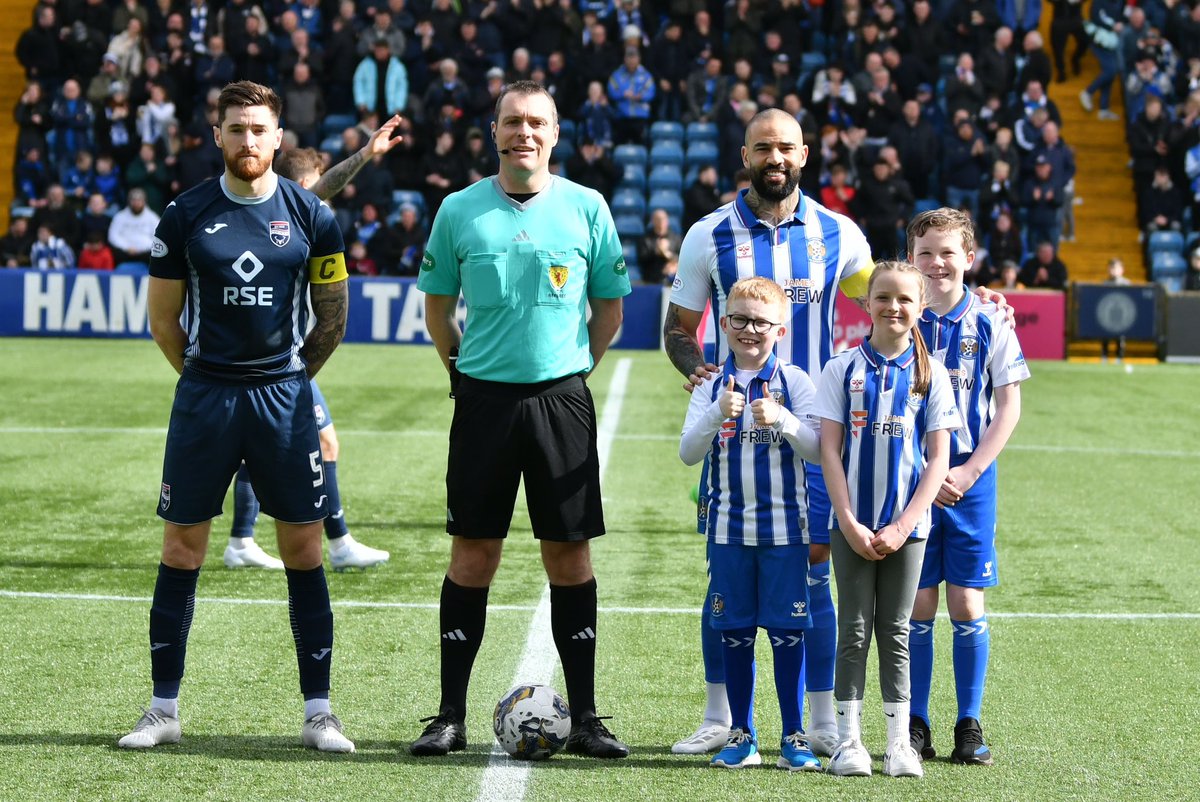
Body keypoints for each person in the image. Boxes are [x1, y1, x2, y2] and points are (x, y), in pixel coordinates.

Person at [118, 81, 354, 753]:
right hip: (205, 397)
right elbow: (164, 322)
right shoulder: (183, 214)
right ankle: (163, 710)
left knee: (303, 548)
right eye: (235, 128)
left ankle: (319, 714)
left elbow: (332, 318)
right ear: (216, 136)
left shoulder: (313, 216)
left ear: (279, 138)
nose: (247, 140)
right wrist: (202, 379)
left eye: (259, 129)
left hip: (282, 398)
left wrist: (291, 382)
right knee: (181, 548)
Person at [411, 80, 631, 760]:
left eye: (536, 122)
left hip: (560, 400)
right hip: (482, 402)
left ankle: (589, 716)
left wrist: (570, 373)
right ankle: (449, 716)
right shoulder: (458, 210)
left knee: (569, 554)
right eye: (512, 121)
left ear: (556, 134)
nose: (523, 134)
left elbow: (609, 313)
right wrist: (465, 371)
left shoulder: (588, 208)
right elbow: (438, 311)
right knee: (473, 553)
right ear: (494, 130)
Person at [664, 108, 876, 758]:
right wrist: (698, 370)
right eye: (764, 147)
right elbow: (678, 326)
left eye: (785, 147)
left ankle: (818, 721)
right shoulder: (708, 235)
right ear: (746, 153)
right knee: (725, 580)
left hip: (813, 437)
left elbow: (895, 302)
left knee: (814, 577)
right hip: (734, 436)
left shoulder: (840, 235)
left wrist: (967, 300)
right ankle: (718, 716)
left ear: (804, 154)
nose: (775, 157)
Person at [223, 128, 403, 573]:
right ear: (303, 186)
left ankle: (242, 540)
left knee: (258, 447)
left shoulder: (278, 215)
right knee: (324, 442)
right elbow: (324, 187)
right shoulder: (296, 210)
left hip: (278, 351)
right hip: (280, 357)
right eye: (315, 181)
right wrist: (364, 154)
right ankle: (338, 543)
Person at [815, 260, 961, 778]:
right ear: (866, 303)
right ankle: (848, 742)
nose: (893, 307)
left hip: (910, 530)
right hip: (850, 524)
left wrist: (902, 526)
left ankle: (900, 744)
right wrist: (849, 522)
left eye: (904, 300)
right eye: (883, 297)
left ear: (920, 309)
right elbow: (829, 452)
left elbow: (939, 460)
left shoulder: (931, 373)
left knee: (896, 630)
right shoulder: (841, 368)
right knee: (853, 629)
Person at [678, 277, 823, 772]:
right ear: (723, 323)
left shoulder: (797, 382)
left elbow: (819, 449)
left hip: (786, 533)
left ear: (780, 328)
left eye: (761, 321)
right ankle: (741, 734)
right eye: (739, 319)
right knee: (734, 630)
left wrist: (782, 420)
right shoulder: (712, 385)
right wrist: (716, 414)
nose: (749, 329)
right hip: (727, 533)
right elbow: (687, 453)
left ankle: (794, 735)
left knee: (788, 632)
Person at [906, 209, 1030, 767]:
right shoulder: (898, 320)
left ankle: (969, 723)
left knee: (965, 601)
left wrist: (971, 470)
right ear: (911, 258)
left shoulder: (990, 322)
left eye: (947, 252)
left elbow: (1009, 407)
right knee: (919, 602)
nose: (936, 263)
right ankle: (916, 722)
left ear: (969, 259)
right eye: (925, 252)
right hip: (910, 480)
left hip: (968, 478)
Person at [1099, 258, 1132, 363]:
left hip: (1121, 315)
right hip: (1108, 314)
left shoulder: (1126, 284)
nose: (1113, 270)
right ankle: (1104, 356)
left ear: (1121, 269)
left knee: (1121, 336)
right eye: (1111, 268)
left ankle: (1119, 356)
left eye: (1115, 268)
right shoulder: (1105, 283)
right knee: (1104, 334)